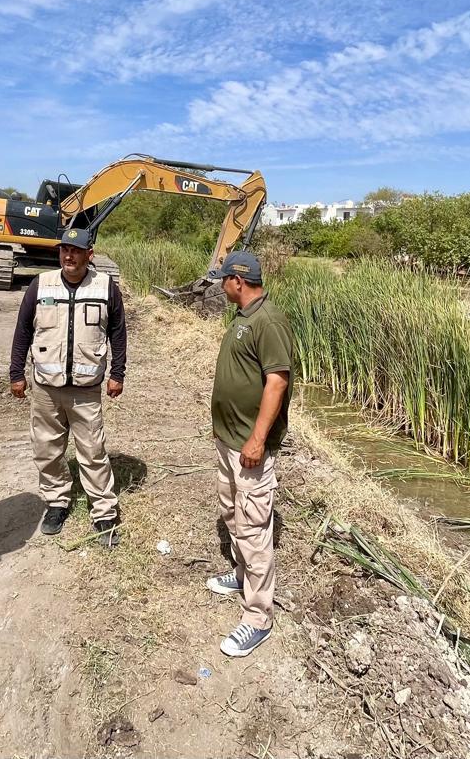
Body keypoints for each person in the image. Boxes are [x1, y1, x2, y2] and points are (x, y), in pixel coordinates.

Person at [9, 228, 126, 545]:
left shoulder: (105, 287)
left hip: (86, 389)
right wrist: (15, 373)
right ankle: (57, 502)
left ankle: (104, 513)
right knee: (47, 448)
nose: (69, 256)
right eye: (64, 250)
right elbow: (22, 331)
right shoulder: (41, 284)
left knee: (93, 451)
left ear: (90, 254)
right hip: (46, 387)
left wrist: (118, 373)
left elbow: (118, 332)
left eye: (76, 250)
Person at [204, 251, 293, 658]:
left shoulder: (268, 320)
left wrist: (257, 440)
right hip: (229, 440)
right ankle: (242, 574)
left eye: (224, 279)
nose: (221, 285)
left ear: (238, 281)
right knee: (232, 513)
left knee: (255, 529)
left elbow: (277, 382)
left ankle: (258, 618)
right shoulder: (245, 316)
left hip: (249, 447)